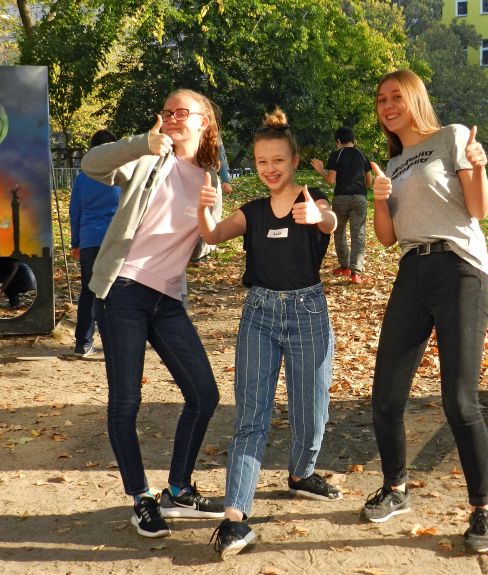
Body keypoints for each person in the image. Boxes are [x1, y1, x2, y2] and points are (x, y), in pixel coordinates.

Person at [363, 69, 488, 553]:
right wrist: (380, 199)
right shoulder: (393, 164)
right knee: (384, 397)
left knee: (458, 400)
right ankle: (396, 488)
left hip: (459, 268)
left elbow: (478, 208)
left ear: (415, 98)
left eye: (396, 96)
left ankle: (483, 508)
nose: (387, 105)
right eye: (381, 99)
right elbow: (386, 237)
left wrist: (478, 164)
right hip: (412, 270)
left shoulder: (452, 137)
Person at [80, 89, 225, 539]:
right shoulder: (147, 155)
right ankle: (141, 497)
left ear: (205, 123)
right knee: (126, 402)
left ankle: (178, 489)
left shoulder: (210, 180)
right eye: (167, 111)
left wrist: (209, 217)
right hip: (122, 291)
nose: (173, 117)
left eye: (184, 112)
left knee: (204, 395)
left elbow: (205, 245)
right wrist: (141, 143)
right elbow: (91, 164)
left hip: (167, 300)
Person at [197, 107, 340, 560]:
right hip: (258, 314)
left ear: (294, 160)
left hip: (308, 313)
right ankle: (235, 517)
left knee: (310, 407)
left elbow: (331, 222)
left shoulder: (311, 201)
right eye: (261, 162)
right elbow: (216, 235)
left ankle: (301, 473)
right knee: (251, 416)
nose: (270, 169)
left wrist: (320, 217)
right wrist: (204, 210)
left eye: (277, 160)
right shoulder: (253, 211)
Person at [69, 129, 121, 357]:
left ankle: (83, 343)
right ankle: (118, 344)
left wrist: (76, 242)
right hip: (117, 240)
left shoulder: (83, 177)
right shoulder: (122, 174)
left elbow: (75, 211)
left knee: (89, 291)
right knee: (118, 292)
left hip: (90, 239)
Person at [310, 127, 372, 284]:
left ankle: (345, 266)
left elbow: (331, 180)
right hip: (359, 198)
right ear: (353, 140)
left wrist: (320, 170)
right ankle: (356, 273)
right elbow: (369, 181)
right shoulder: (362, 155)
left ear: (338, 141)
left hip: (341, 198)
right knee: (358, 234)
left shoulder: (336, 155)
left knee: (339, 232)